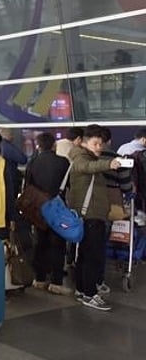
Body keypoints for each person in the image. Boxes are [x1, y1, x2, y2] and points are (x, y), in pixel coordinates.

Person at [67, 125, 122, 311]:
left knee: (84, 255)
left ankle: (83, 290)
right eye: (95, 143)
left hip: (90, 216)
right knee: (91, 256)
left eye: (101, 144)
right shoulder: (82, 158)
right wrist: (110, 164)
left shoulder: (86, 156)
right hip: (90, 216)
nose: (99, 147)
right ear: (84, 142)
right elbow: (86, 167)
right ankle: (90, 294)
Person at [25, 132, 72, 295]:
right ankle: (56, 282)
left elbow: (27, 186)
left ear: (38, 146)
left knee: (40, 243)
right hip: (57, 208)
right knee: (58, 244)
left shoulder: (32, 162)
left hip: (39, 209)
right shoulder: (63, 162)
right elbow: (69, 185)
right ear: (54, 145)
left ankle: (39, 279)